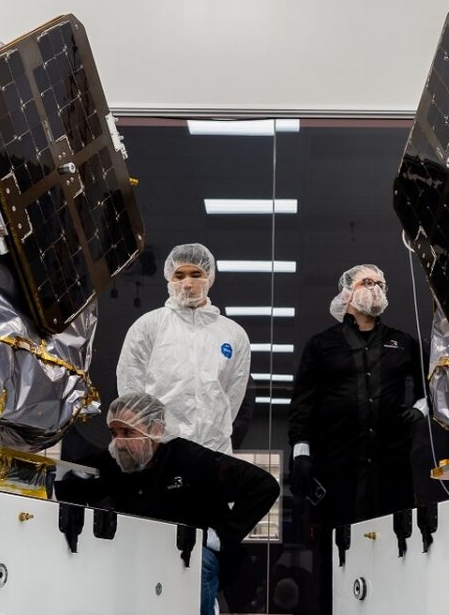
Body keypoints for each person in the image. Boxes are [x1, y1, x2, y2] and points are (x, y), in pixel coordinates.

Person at [57, 393, 279, 615]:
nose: (119, 443)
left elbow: (263, 486)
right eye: (113, 433)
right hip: (146, 550)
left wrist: (221, 536)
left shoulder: (191, 459)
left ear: (155, 430)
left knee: (199, 564)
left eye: (127, 432)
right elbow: (76, 485)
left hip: (194, 557)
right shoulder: (117, 463)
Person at [287, 263, 426, 615]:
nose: (376, 288)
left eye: (381, 283)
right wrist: (301, 453)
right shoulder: (322, 345)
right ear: (347, 291)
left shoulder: (403, 342)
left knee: (393, 549)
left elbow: (434, 382)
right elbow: (302, 403)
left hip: (389, 468)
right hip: (337, 468)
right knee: (334, 553)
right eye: (368, 282)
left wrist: (421, 409)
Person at [116, 243, 252, 453]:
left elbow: (232, 396)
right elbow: (130, 387)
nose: (187, 283)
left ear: (210, 278)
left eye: (196, 274)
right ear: (169, 279)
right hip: (160, 450)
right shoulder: (149, 326)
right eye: (179, 275)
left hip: (213, 450)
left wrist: (212, 430)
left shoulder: (233, 334)